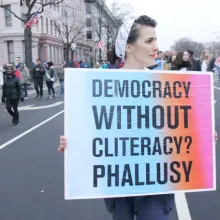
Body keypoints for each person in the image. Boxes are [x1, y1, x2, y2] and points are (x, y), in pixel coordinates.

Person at [58, 15, 218, 220]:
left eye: (156, 40)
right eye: (149, 41)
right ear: (129, 47)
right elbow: (91, 128)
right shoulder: (100, 85)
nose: (156, 47)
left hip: (156, 184)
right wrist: (72, 143)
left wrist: (201, 137)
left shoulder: (165, 84)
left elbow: (177, 125)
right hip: (119, 183)